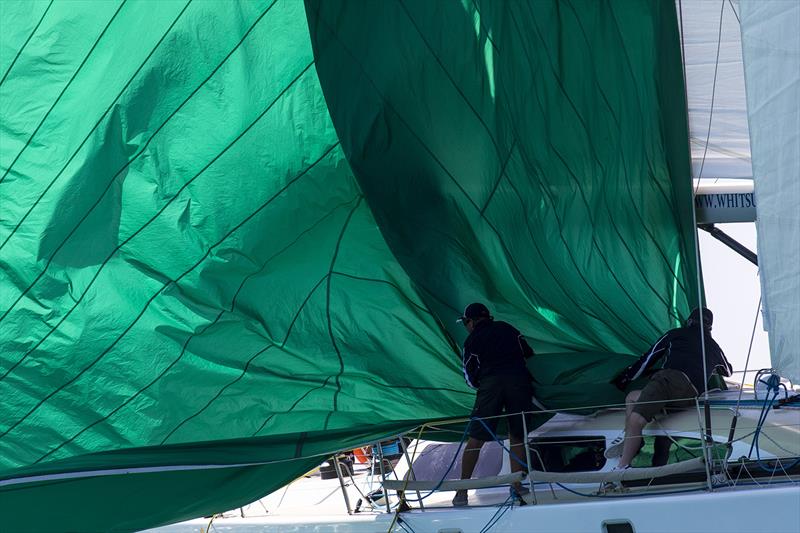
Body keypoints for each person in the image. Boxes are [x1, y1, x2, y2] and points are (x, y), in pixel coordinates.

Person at [605, 307, 732, 470]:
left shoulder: (676, 334)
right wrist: (708, 365)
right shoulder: (714, 347)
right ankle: (630, 436)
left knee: (636, 420)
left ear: (689, 321)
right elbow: (728, 371)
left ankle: (622, 467)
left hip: (670, 381)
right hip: (689, 396)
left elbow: (648, 359)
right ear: (710, 328)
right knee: (632, 397)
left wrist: (626, 377)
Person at [452, 303, 535, 506]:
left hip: (491, 386)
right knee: (517, 435)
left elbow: (470, 379)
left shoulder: (471, 340)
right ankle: (516, 484)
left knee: (476, 438)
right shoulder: (508, 329)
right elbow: (529, 354)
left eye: (465, 323)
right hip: (518, 381)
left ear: (470, 322)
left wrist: (487, 383)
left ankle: (462, 491)